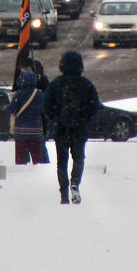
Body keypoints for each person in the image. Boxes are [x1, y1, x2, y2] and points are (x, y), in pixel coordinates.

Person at [43, 51, 100, 205]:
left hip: (61, 130)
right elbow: (95, 106)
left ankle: (63, 193)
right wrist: (84, 118)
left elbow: (46, 106)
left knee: (62, 163)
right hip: (79, 130)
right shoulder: (86, 84)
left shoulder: (56, 84)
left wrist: (56, 118)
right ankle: (75, 183)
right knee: (79, 159)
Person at [7, 69, 46, 165]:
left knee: (21, 158)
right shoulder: (39, 94)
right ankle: (37, 173)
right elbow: (44, 110)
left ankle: (21, 173)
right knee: (37, 156)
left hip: (21, 131)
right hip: (36, 130)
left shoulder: (19, 95)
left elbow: (12, 110)